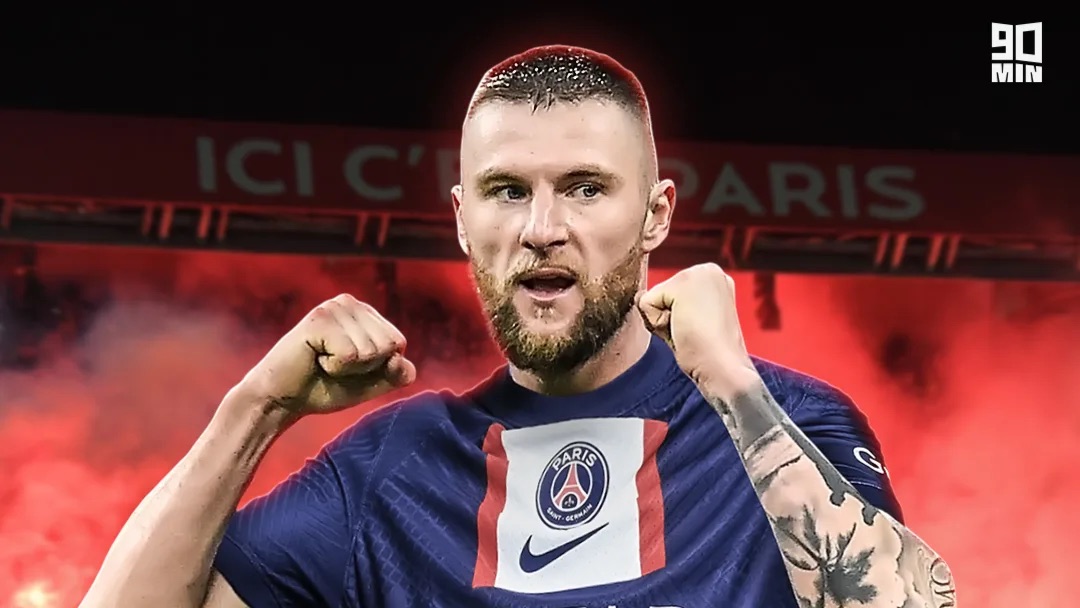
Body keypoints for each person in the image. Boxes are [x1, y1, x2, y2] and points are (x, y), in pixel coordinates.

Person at [81, 45, 957, 608]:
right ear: (463, 220)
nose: (542, 227)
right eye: (507, 191)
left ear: (656, 215)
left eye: (585, 187)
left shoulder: (786, 423)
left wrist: (732, 384)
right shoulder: (391, 468)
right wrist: (254, 410)